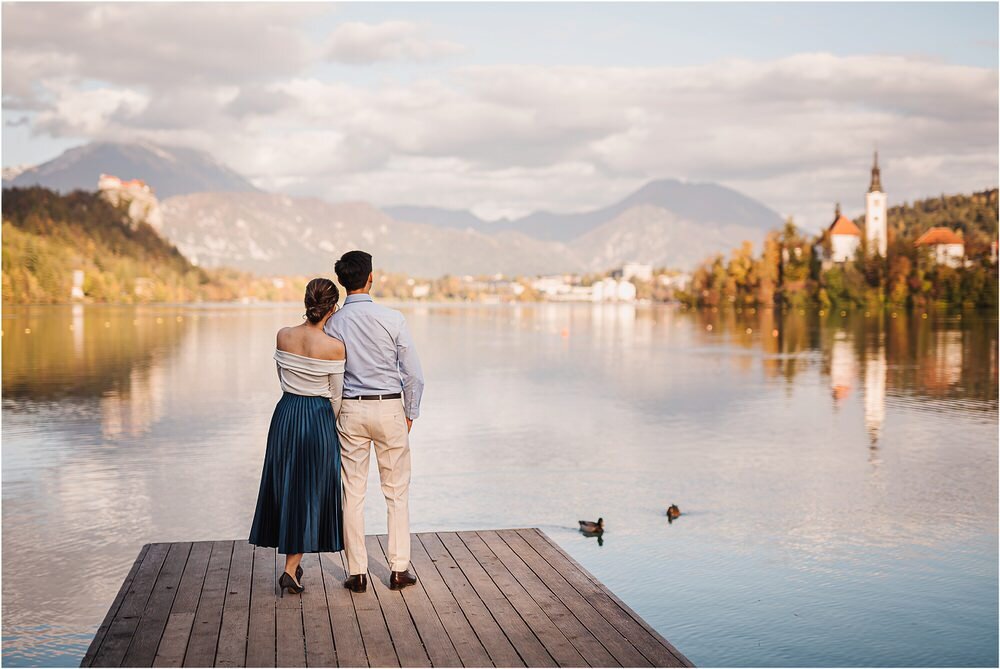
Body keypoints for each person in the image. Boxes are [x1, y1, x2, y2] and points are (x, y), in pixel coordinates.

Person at [325, 250, 424, 592]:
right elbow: (413, 375)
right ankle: (398, 570)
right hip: (389, 408)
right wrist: (410, 412)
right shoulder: (392, 318)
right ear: (370, 278)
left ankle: (357, 573)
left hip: (350, 409)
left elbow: (330, 375)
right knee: (396, 492)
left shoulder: (332, 324)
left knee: (353, 491)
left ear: (342, 281)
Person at [249, 278, 346, 596]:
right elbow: (336, 396)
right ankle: (290, 569)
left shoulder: (283, 335)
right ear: (332, 308)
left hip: (286, 415)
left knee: (288, 487)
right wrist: (325, 428)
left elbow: (283, 379)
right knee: (309, 493)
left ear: (306, 302)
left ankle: (293, 563)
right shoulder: (334, 347)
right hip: (317, 418)